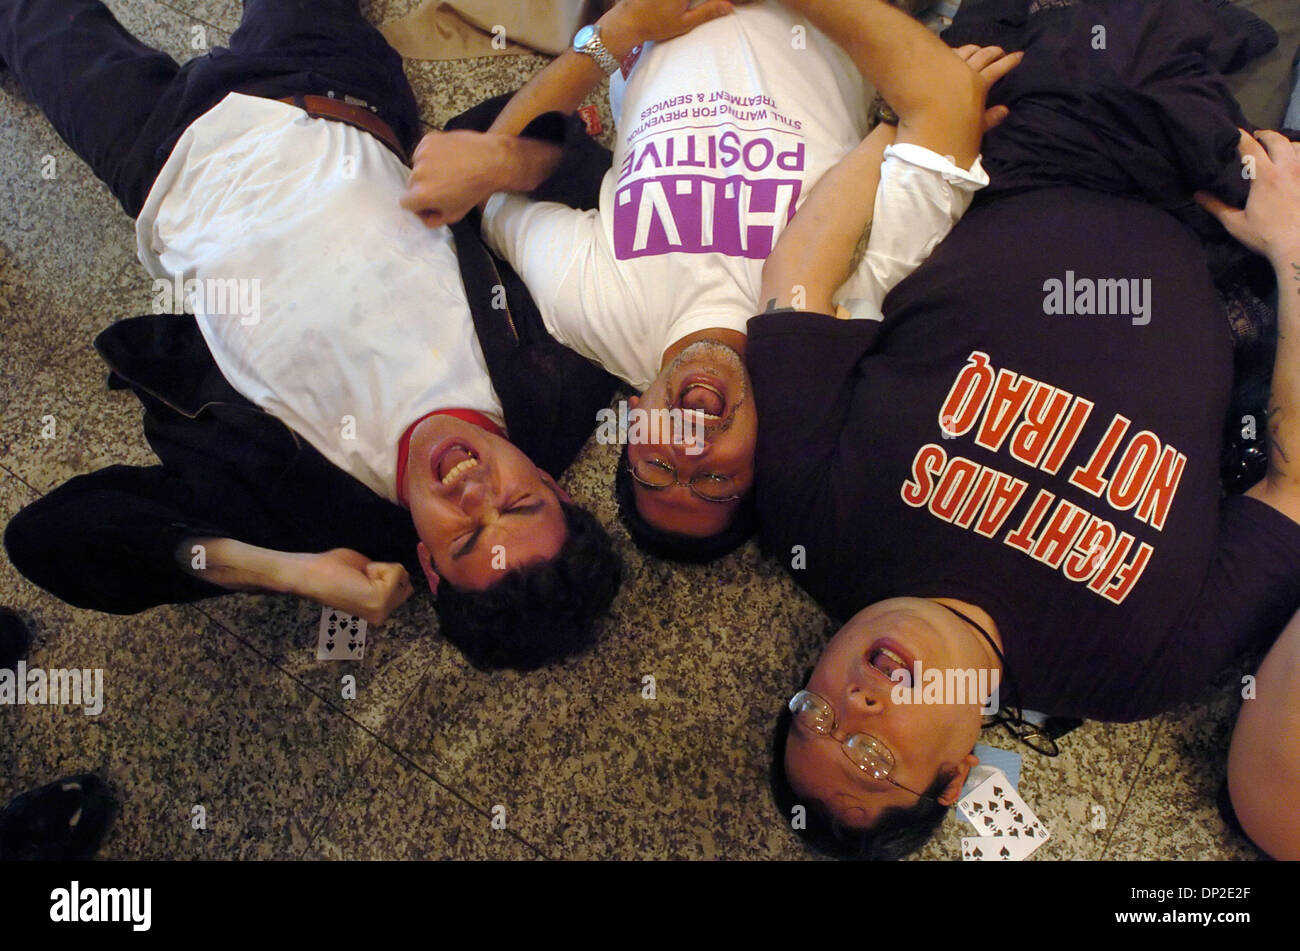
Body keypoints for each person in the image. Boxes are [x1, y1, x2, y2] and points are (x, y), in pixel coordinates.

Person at [752, 0, 1300, 858]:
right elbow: (1293, 485)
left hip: (1038, 144)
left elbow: (796, 288)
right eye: (869, 753)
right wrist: (1293, 251)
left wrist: (907, 126)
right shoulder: (1134, 672)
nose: (853, 705)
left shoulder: (806, 525)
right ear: (956, 775)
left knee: (1118, 35)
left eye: (813, 714)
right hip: (1225, 237)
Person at [0, 0, 623, 671]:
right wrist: (506, 160)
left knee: (28, 18)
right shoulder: (563, 375)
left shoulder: (312, 521)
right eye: (519, 501)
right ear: (555, 489)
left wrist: (283, 572)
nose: (476, 492)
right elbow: (584, 168)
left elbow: (46, 538)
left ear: (430, 568)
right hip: (328, 83)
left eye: (468, 537)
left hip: (161, 157)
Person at [402, 0, 988, 560]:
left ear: (632, 423)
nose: (687, 448)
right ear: (763, 452)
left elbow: (492, 174)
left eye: (657, 470)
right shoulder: (825, 330)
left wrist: (617, 33)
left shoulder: (599, 316)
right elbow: (935, 120)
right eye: (714, 480)